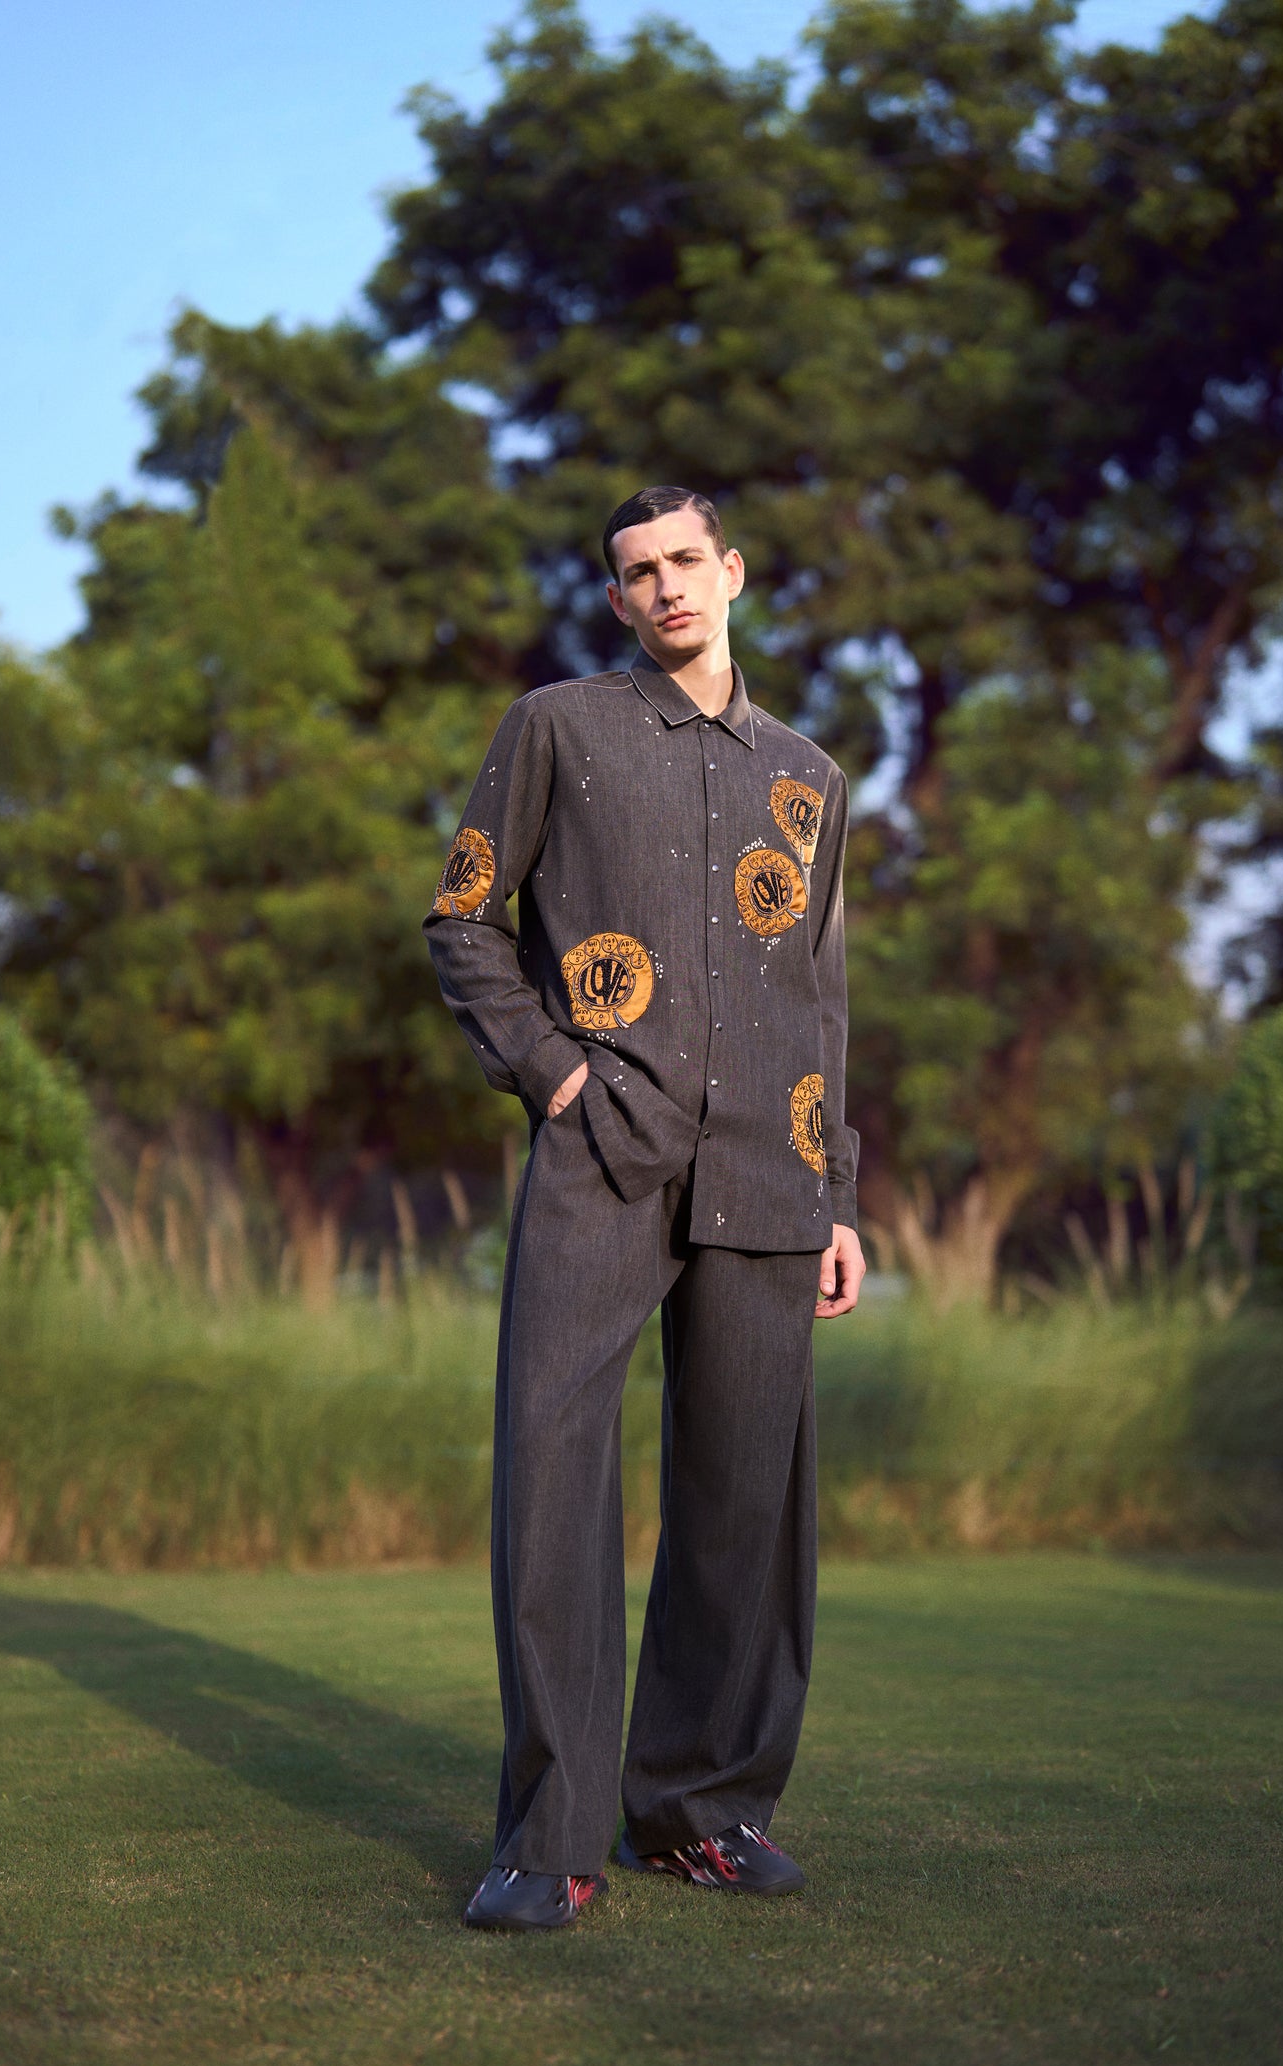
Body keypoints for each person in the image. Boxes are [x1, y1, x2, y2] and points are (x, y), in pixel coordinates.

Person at [424, 485, 865, 1932]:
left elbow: (821, 994)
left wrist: (836, 1190)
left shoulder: (811, 778)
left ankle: (701, 1812)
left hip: (772, 1170)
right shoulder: (555, 728)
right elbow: (464, 922)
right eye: (638, 572)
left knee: (748, 1505)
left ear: (731, 573)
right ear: (616, 600)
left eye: (686, 560)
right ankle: (549, 1839)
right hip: (602, 1157)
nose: (667, 586)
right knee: (552, 1480)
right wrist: (554, 1074)